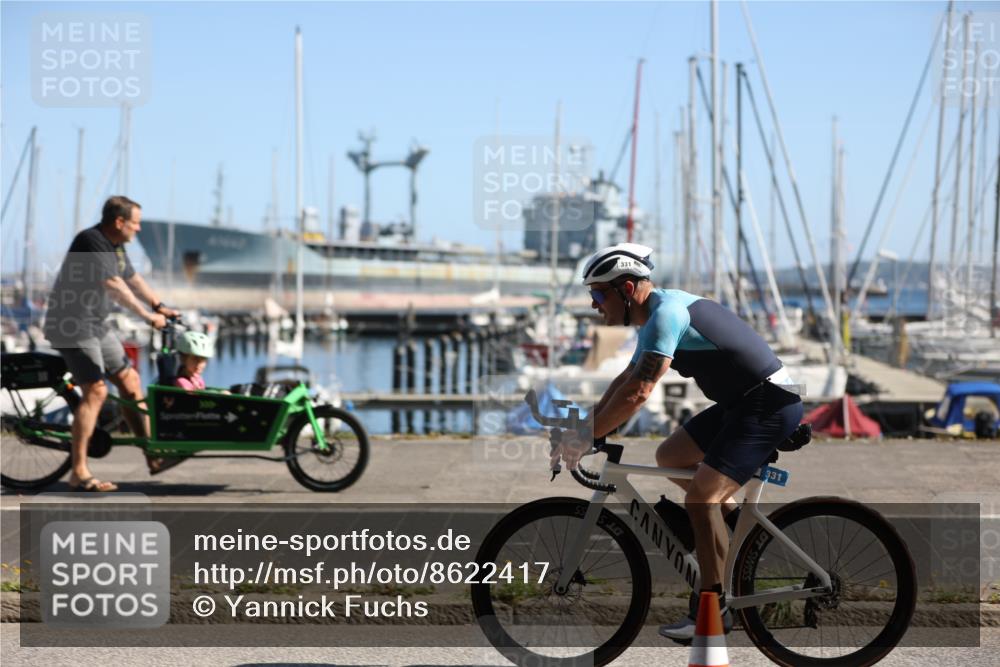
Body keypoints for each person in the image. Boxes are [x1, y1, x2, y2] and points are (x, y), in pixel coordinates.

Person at [549, 242, 803, 642]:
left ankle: (714, 607)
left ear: (627, 289)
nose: (595, 305)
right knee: (672, 455)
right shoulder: (655, 315)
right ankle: (733, 527)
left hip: (766, 406)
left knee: (700, 497)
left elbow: (639, 393)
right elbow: (625, 381)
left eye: (598, 294)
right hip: (744, 403)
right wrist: (585, 429)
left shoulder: (667, 315)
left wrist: (589, 437)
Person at [43, 195, 180, 492]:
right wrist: (145, 316)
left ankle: (153, 455)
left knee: (130, 381)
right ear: (119, 222)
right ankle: (78, 472)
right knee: (96, 390)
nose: (139, 229)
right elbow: (114, 285)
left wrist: (159, 306)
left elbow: (131, 278)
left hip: (95, 324)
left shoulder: (115, 246)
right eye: (136, 223)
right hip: (71, 324)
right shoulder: (91, 241)